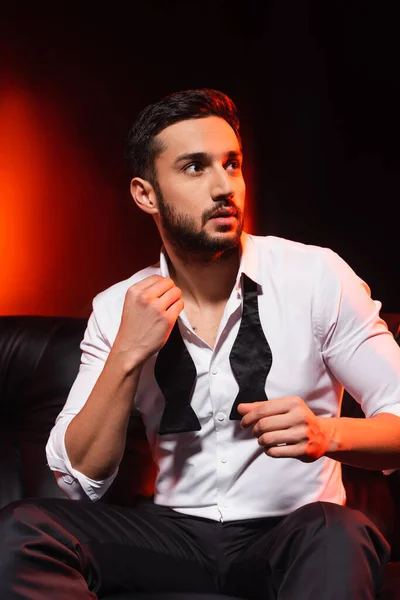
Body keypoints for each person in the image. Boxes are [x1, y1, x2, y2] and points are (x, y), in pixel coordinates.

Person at [1, 88, 400, 600]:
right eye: (194, 168)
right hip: (172, 536)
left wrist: (328, 435)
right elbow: (80, 481)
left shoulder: (316, 275)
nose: (222, 187)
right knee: (23, 528)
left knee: (341, 532)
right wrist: (127, 352)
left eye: (231, 165)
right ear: (146, 195)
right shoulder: (117, 306)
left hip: (292, 534)